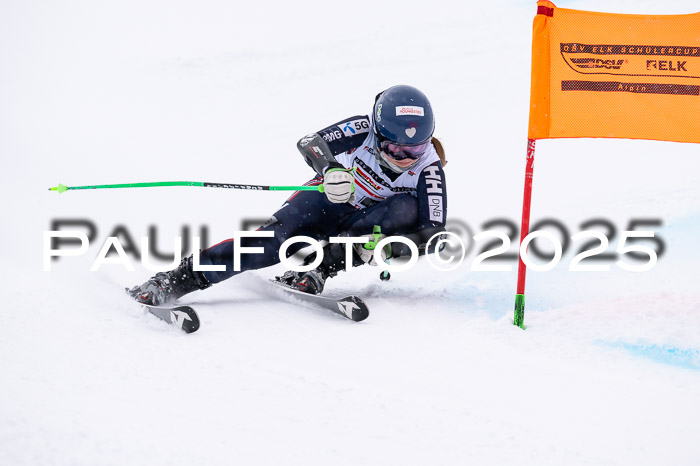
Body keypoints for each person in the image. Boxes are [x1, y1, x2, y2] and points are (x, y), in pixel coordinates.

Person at [128, 84, 448, 306]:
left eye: (416, 148)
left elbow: (435, 236)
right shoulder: (361, 128)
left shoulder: (429, 170)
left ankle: (318, 269)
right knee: (268, 243)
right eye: (394, 147)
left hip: (367, 222)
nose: (405, 157)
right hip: (328, 199)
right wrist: (330, 168)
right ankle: (176, 280)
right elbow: (311, 141)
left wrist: (389, 248)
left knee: (404, 208)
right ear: (378, 134)